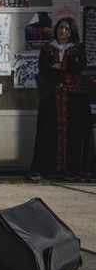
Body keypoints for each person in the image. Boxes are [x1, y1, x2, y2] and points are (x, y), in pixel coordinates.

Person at [28, 16, 93, 181]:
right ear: (56, 30)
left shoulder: (78, 48)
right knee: (46, 131)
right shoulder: (47, 49)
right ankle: (41, 169)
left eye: (67, 28)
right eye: (61, 27)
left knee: (75, 133)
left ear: (71, 32)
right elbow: (44, 69)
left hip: (75, 98)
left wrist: (57, 65)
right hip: (51, 96)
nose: (63, 31)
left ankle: (73, 170)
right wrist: (66, 71)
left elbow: (78, 66)